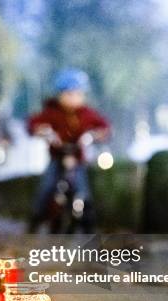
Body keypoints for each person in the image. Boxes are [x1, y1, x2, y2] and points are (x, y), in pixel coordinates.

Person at [27, 68, 109, 233]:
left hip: (78, 160)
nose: (73, 98)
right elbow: (32, 124)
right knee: (46, 188)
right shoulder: (51, 112)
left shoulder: (87, 114)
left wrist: (91, 135)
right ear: (60, 95)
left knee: (83, 191)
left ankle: (89, 230)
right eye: (69, 94)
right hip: (58, 159)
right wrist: (45, 132)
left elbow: (105, 128)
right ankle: (34, 224)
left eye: (77, 94)